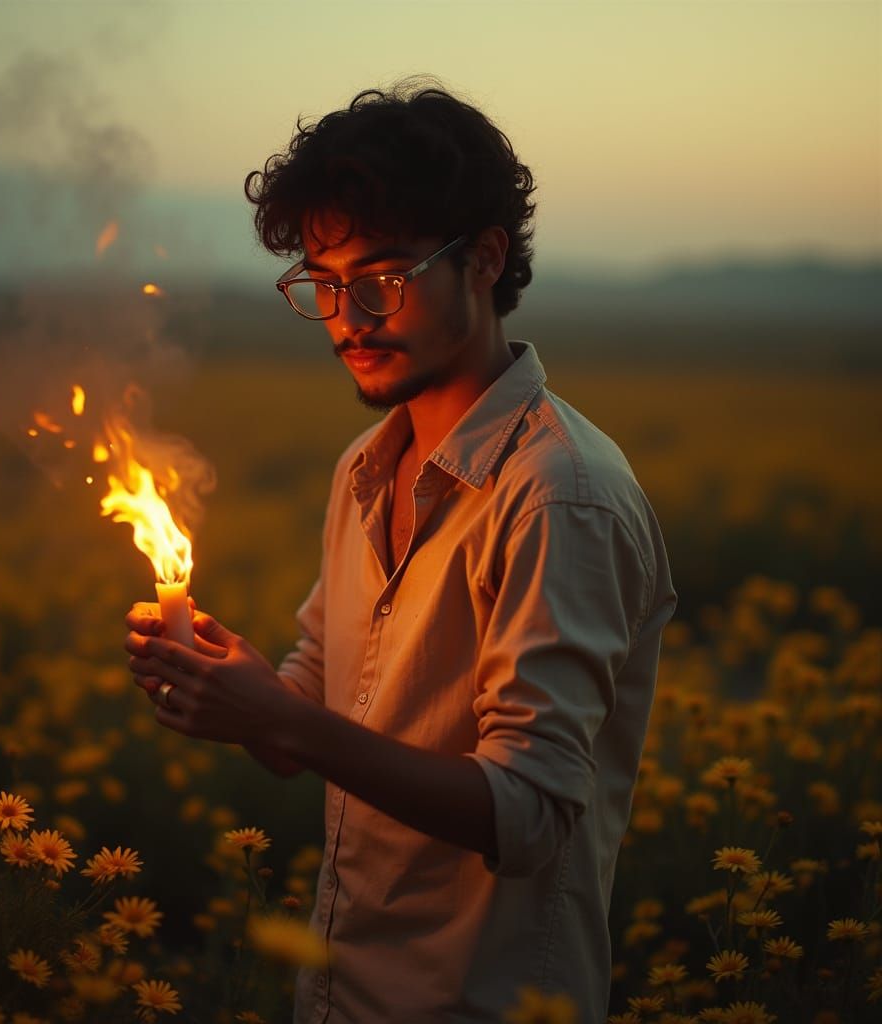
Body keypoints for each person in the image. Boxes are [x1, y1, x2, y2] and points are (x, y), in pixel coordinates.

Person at [125, 81, 676, 1024]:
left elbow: (529, 813)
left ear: (486, 260)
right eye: (322, 284)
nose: (348, 317)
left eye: (382, 278)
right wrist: (240, 693)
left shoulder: (558, 495)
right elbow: (317, 701)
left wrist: (285, 722)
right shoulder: (365, 469)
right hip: (342, 995)